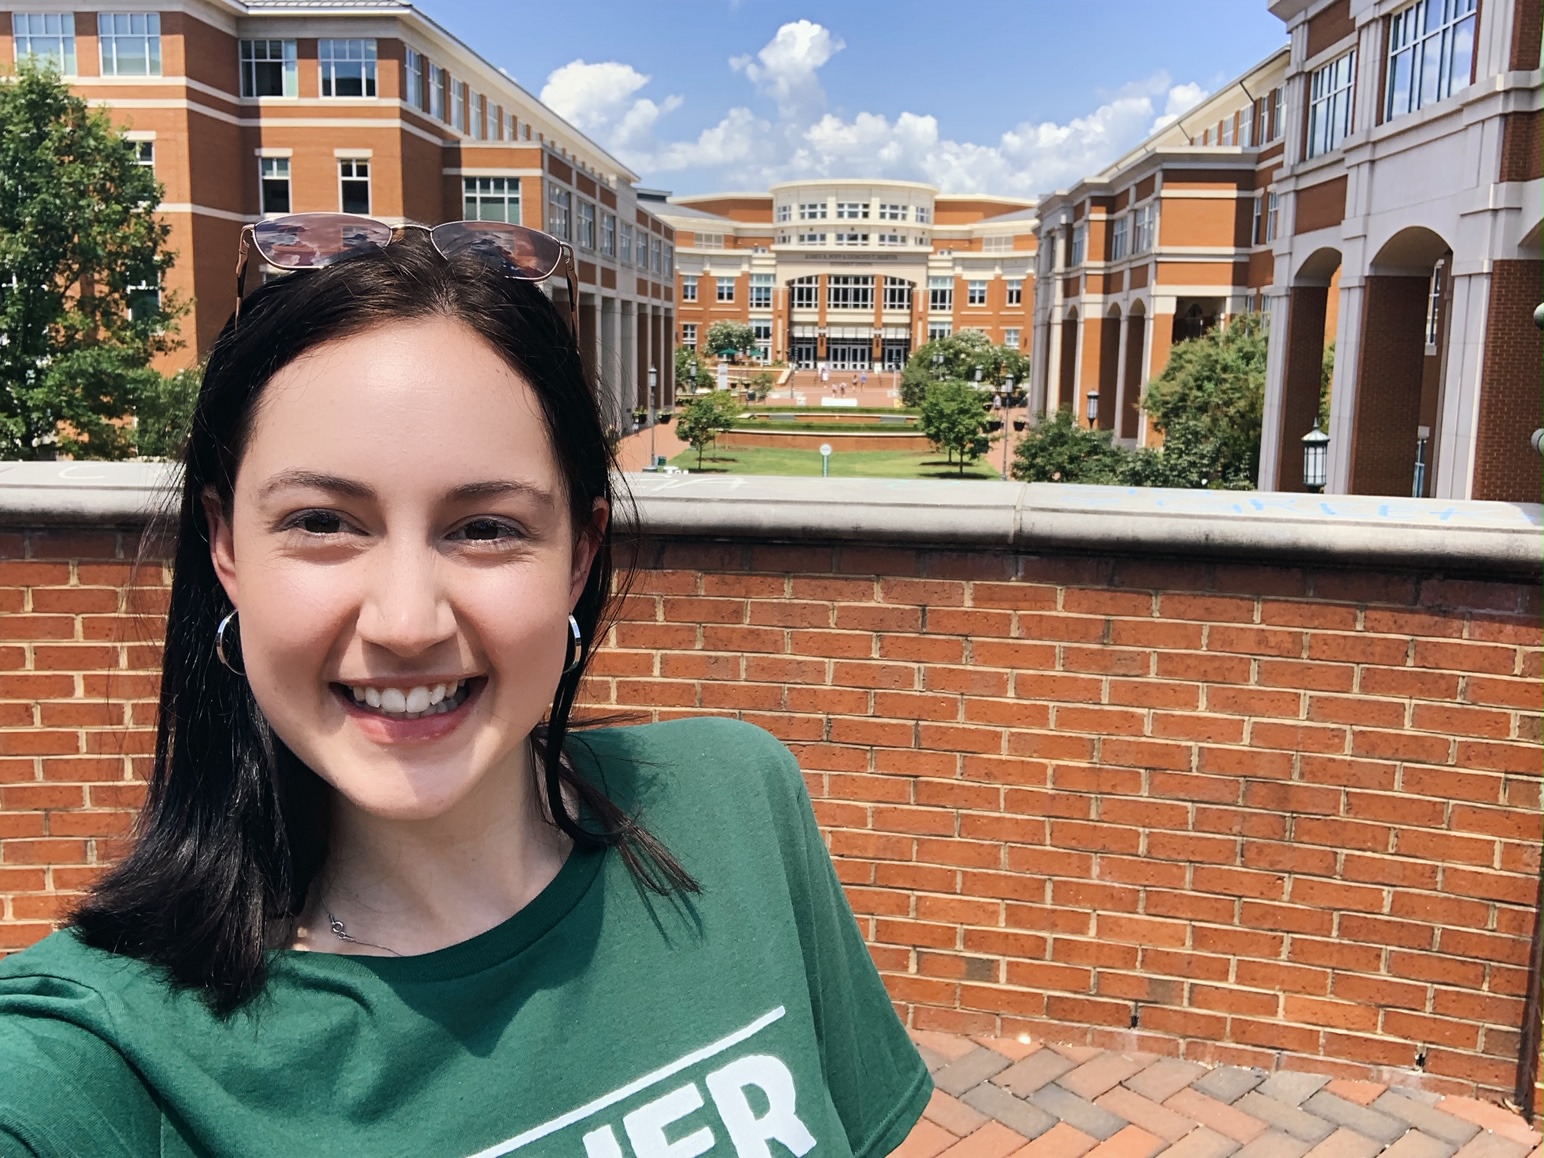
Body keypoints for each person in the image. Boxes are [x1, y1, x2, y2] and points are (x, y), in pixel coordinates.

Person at [0, 216, 931, 1157]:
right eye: (323, 520)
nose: (407, 624)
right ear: (227, 545)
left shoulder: (734, 805)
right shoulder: (108, 1053)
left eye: (485, 528)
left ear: (580, 555)